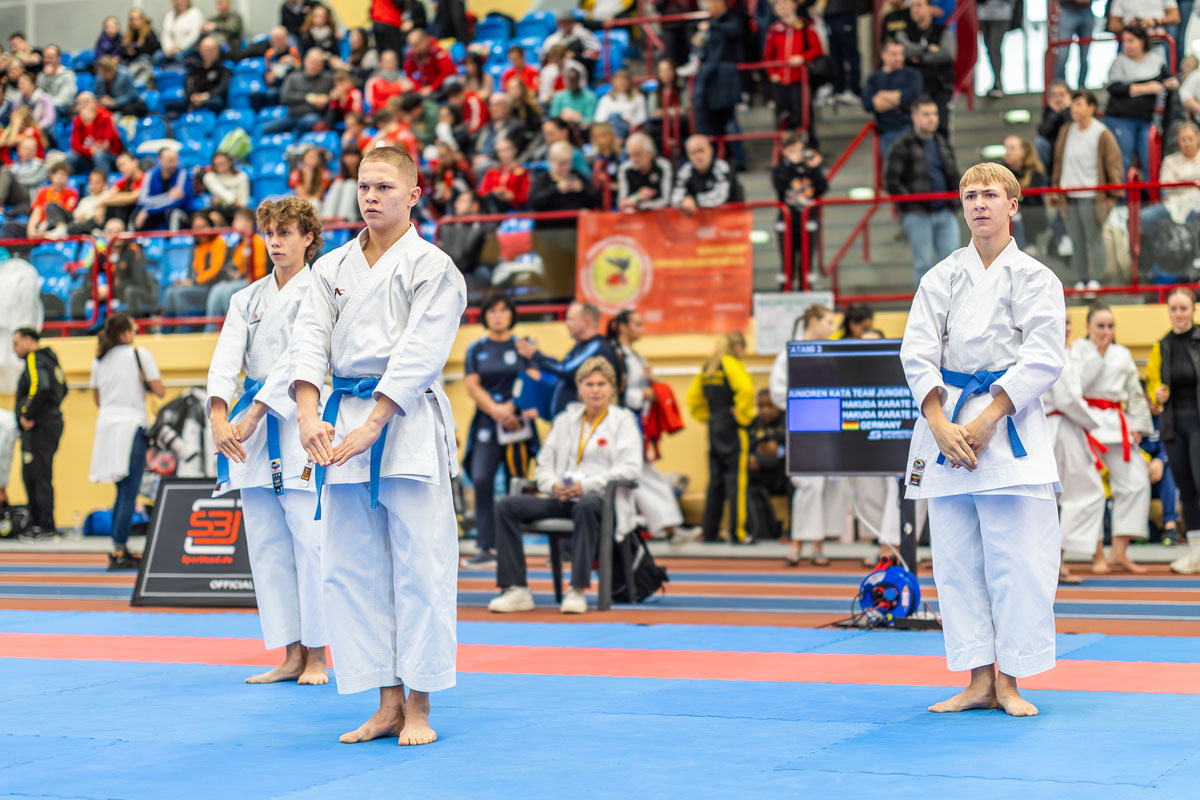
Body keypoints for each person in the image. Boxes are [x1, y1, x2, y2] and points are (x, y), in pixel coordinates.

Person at [280, 146, 464, 746]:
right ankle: (386, 703)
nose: (371, 196)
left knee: (421, 567)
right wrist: (307, 412)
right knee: (353, 569)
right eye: (363, 186)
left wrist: (376, 422)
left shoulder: (433, 266)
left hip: (404, 425)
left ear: (413, 194)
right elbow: (307, 340)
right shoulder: (331, 267)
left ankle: (420, 705)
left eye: (384, 186)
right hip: (340, 425)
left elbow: (420, 354)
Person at [900, 162, 1066, 717]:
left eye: (990, 194)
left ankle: (1010, 681)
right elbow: (916, 353)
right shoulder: (940, 277)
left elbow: (1044, 357)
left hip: (1008, 426)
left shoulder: (1036, 278)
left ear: (1012, 205)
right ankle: (977, 680)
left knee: (1017, 562)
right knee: (956, 563)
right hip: (945, 428)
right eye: (970, 195)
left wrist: (990, 416)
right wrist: (938, 423)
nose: (978, 204)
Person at [208, 196, 330, 685]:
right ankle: (290, 654)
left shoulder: (319, 290)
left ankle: (318, 655)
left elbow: (301, 356)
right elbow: (225, 358)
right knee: (266, 544)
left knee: (309, 541)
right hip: (250, 431)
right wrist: (219, 416)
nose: (276, 242)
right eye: (270, 233)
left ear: (308, 238)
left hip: (300, 417)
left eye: (286, 233)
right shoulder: (247, 298)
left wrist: (256, 412)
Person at [488, 356, 641, 614]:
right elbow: (543, 464)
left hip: (601, 501)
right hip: (561, 497)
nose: (595, 390)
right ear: (579, 387)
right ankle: (516, 590)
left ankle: (577, 590)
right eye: (589, 384)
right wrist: (553, 485)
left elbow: (631, 468)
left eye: (601, 384)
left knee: (585, 505)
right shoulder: (564, 420)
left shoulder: (623, 421)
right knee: (506, 506)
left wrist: (586, 486)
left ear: (612, 388)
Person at [1072, 303, 1153, 573]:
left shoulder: (1122, 354)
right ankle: (1096, 554)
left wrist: (1138, 425)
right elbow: (1077, 386)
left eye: (1110, 326)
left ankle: (1118, 552)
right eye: (1100, 326)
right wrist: (1098, 353)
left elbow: (1135, 393)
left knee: (1136, 482)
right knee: (1091, 490)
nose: (1106, 331)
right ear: (1088, 327)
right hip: (1086, 424)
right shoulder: (1077, 350)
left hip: (1117, 425)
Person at [461, 293, 538, 570]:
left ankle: (512, 548)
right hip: (487, 424)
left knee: (517, 485)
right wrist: (496, 410)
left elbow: (533, 378)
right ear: (485, 316)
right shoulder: (476, 348)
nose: (498, 315)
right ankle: (486, 547)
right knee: (482, 479)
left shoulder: (524, 344)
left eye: (503, 310)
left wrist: (512, 409)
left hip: (518, 425)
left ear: (511, 314)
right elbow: (472, 386)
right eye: (492, 310)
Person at [769, 306, 845, 564]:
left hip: (830, 426)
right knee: (808, 485)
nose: (832, 329)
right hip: (802, 425)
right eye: (828, 322)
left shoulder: (832, 354)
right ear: (813, 321)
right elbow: (777, 393)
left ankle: (818, 547)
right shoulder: (790, 354)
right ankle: (797, 544)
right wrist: (807, 401)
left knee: (827, 486)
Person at [88, 313, 164, 569]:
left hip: (107, 429)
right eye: (133, 329)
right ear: (125, 333)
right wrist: (143, 383)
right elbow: (160, 390)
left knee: (121, 491)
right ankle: (119, 549)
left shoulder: (99, 360)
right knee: (129, 492)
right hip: (132, 427)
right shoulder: (138, 354)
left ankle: (119, 546)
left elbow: (97, 398)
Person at [607, 310, 685, 539]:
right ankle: (667, 526)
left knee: (640, 472)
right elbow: (615, 392)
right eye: (637, 324)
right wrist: (643, 394)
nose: (641, 329)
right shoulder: (615, 354)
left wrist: (652, 383)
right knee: (639, 473)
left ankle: (666, 525)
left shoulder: (635, 356)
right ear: (623, 327)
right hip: (622, 422)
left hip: (638, 422)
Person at [1043, 309, 1104, 585]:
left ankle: (1055, 559)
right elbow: (1067, 399)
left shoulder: (1067, 353)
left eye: (1068, 322)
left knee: (1056, 497)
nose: (1066, 327)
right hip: (1061, 427)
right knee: (1087, 492)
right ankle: (1056, 559)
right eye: (1061, 322)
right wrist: (1095, 423)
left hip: (1058, 426)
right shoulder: (1052, 351)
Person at [1148, 288, 1200, 573]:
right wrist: (1157, 394)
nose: (1178, 314)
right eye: (1174, 309)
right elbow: (1153, 387)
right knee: (1186, 487)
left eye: (1183, 308)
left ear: (1193, 310)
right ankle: (1195, 552)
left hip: (1198, 424)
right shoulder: (1162, 345)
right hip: (1173, 426)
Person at [1050, 90, 1124, 291]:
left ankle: (1096, 279)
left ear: (1091, 107)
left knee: (1094, 237)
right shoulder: (1066, 130)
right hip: (1068, 194)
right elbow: (1058, 161)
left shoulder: (1101, 133)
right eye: (1072, 105)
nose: (1074, 109)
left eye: (1079, 104)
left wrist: (1112, 195)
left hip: (1092, 195)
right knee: (1076, 239)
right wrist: (1056, 187)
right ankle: (1081, 279)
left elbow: (1113, 164)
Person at [885, 97, 961, 285]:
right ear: (915, 117)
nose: (932, 118)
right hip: (917, 215)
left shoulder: (942, 142)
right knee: (923, 265)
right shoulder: (901, 145)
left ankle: (953, 302)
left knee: (954, 265)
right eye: (926, 114)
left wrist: (956, 201)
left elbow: (953, 175)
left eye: (934, 114)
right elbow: (891, 181)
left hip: (945, 210)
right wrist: (912, 204)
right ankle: (925, 304)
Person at [687, 332, 755, 544]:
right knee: (737, 481)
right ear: (738, 347)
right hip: (732, 428)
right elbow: (746, 391)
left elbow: (693, 399)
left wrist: (708, 417)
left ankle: (710, 532)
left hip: (714, 427)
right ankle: (738, 533)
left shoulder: (707, 368)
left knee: (715, 481)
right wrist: (743, 417)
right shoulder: (732, 365)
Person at [516, 301, 622, 419]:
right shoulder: (579, 346)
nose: (566, 324)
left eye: (571, 319)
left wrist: (535, 355)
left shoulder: (598, 346)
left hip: (585, 422)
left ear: (587, 321)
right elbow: (560, 373)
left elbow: (566, 370)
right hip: (567, 422)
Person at [13, 328, 66, 540]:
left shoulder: (35, 359)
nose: (14, 349)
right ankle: (43, 524)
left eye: (16, 343)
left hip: (40, 427)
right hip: (51, 423)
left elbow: (40, 386)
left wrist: (26, 414)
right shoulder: (51, 359)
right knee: (40, 474)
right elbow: (63, 389)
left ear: (28, 340)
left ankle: (42, 526)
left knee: (36, 475)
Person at [1105, 25, 1178, 176]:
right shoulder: (1119, 62)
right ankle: (1123, 190)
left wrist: (1172, 83)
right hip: (1121, 119)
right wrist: (1146, 88)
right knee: (1123, 161)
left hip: (1146, 121)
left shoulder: (1156, 61)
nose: (1126, 45)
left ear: (1142, 41)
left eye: (1131, 41)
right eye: (1124, 41)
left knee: (1150, 160)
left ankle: (1152, 190)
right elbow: (1114, 88)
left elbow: (1170, 80)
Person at [763, 0, 827, 139]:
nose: (781, 7)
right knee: (782, 117)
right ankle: (784, 147)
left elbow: (817, 49)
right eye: (778, 4)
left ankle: (808, 144)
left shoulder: (805, 26)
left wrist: (802, 58)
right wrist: (772, 73)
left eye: (785, 3)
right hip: (781, 81)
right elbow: (768, 56)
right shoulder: (774, 29)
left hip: (800, 79)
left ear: (794, 5)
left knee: (803, 116)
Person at [772, 133, 828, 282]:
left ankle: (806, 288)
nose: (798, 154)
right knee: (787, 263)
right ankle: (785, 289)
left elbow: (822, 188)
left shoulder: (809, 167)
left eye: (800, 150)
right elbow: (780, 186)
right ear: (785, 151)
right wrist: (793, 165)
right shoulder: (780, 169)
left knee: (807, 263)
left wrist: (813, 168)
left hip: (808, 219)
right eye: (793, 150)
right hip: (788, 221)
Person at [895, 0, 955, 138]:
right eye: (912, 6)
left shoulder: (943, 30)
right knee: (912, 134)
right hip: (913, 91)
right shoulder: (904, 32)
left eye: (919, 5)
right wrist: (927, 49)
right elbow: (905, 50)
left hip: (939, 89)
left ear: (930, 9)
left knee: (941, 131)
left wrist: (918, 56)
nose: (914, 9)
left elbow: (947, 53)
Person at [162, 210, 228, 328]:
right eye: (196, 228)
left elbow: (215, 271)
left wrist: (193, 281)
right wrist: (185, 281)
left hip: (212, 287)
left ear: (210, 226)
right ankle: (166, 332)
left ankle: (184, 331)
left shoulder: (219, 242)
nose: (200, 231)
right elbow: (193, 270)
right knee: (170, 292)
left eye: (203, 227)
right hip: (197, 285)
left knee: (179, 293)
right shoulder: (196, 246)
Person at [204, 207, 267, 330]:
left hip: (254, 282)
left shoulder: (257, 241)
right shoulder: (240, 243)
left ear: (248, 223)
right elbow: (237, 266)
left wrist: (241, 275)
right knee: (217, 289)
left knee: (228, 292)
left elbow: (259, 271)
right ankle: (211, 330)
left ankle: (232, 329)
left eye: (237, 220)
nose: (233, 223)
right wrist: (233, 275)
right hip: (240, 280)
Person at [864, 39, 925, 157]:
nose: (899, 58)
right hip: (887, 130)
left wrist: (882, 95)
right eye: (894, 54)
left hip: (911, 128)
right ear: (883, 55)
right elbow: (868, 104)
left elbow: (912, 97)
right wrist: (899, 98)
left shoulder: (913, 74)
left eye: (901, 54)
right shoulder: (874, 78)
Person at [692, 0, 742, 144]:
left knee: (730, 123)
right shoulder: (707, 25)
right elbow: (703, 51)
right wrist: (698, 43)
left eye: (713, 3)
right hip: (711, 82)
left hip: (726, 80)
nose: (710, 7)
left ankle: (738, 155)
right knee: (715, 124)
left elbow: (734, 30)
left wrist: (711, 26)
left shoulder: (732, 19)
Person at [745, 388, 790, 542]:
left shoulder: (788, 420)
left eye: (770, 406)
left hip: (782, 476)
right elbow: (746, 449)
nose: (765, 411)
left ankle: (793, 531)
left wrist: (779, 451)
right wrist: (752, 458)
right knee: (741, 478)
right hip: (761, 475)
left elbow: (799, 450)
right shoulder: (754, 424)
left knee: (795, 478)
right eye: (761, 406)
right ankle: (755, 529)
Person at [265, 49, 333, 136]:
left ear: (322, 65)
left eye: (318, 63)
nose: (314, 66)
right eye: (312, 62)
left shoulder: (328, 80)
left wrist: (327, 99)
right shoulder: (293, 77)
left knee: (310, 120)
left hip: (312, 117)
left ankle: (296, 136)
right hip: (291, 117)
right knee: (265, 128)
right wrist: (310, 98)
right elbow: (284, 98)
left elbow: (327, 100)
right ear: (305, 61)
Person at [671, 134, 743, 213]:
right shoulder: (685, 171)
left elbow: (721, 197)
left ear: (710, 150)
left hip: (728, 216)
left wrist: (694, 201)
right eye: (693, 152)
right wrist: (683, 202)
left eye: (701, 150)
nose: (698, 156)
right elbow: (675, 198)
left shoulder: (722, 167)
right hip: (697, 219)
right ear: (688, 155)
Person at [528, 141, 601, 215]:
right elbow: (534, 203)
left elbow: (597, 200)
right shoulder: (542, 179)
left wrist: (582, 189)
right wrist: (556, 189)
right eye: (561, 164)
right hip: (551, 221)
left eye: (568, 163)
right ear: (551, 161)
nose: (565, 168)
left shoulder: (577, 176)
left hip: (575, 221)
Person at [1003, 136, 1047, 250]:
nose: (1008, 152)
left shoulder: (1035, 172)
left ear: (1023, 152)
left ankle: (1024, 247)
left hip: (1030, 218)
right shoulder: (1002, 171)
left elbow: (1027, 199)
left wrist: (1018, 199)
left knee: (1016, 216)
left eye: (1012, 148)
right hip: (1012, 216)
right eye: (1006, 148)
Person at [134, 147, 193, 232]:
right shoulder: (150, 174)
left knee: (172, 212)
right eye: (170, 160)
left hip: (181, 212)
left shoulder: (183, 174)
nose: (173, 164)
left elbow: (177, 201)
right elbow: (142, 200)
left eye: (175, 160)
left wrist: (149, 209)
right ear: (160, 160)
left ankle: (173, 239)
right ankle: (135, 239)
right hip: (157, 213)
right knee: (137, 214)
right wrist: (168, 195)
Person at [67, 93, 121, 176]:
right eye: (80, 103)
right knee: (70, 157)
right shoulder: (77, 120)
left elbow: (105, 143)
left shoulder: (105, 116)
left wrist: (90, 124)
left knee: (98, 154)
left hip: (108, 156)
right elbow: (75, 146)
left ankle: (103, 180)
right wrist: (90, 150)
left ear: (95, 103)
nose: (83, 106)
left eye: (86, 102)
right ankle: (72, 183)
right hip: (88, 156)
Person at [617, 132, 673, 212]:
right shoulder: (625, 169)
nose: (633, 159)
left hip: (660, 214)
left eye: (637, 154)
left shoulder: (663, 166)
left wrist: (639, 205)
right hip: (634, 215)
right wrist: (637, 196)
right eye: (630, 155)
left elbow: (667, 200)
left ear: (650, 153)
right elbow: (622, 203)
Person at [477, 137, 529, 213]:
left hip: (515, 208)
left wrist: (513, 197)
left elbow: (526, 196)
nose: (503, 154)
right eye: (500, 151)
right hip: (492, 205)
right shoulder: (492, 171)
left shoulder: (523, 172)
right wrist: (494, 192)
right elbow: (482, 192)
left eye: (506, 150)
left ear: (514, 150)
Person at [180, 36, 230, 113]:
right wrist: (192, 96)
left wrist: (205, 96)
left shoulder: (223, 70)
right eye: (205, 50)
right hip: (194, 99)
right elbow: (188, 85)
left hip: (212, 100)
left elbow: (222, 88)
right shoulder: (194, 69)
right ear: (200, 51)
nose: (208, 53)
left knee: (216, 102)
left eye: (211, 50)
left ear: (218, 51)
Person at [1056, 0, 1098, 87]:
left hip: (1086, 11)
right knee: (1062, 55)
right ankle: (1060, 88)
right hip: (1067, 11)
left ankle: (1081, 88)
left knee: (1084, 57)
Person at [403, 29, 457, 96]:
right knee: (405, 83)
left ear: (425, 41)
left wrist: (432, 87)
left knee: (451, 80)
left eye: (416, 45)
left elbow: (448, 71)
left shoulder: (437, 50)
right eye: (411, 46)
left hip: (439, 86)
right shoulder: (411, 55)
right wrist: (419, 89)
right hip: (423, 87)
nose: (414, 49)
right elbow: (408, 75)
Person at [1036, 80, 1073, 174]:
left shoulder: (1074, 110)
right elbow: (1043, 132)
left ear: (1069, 96)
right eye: (1054, 95)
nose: (1058, 99)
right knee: (1039, 143)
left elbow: (1072, 129)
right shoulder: (1049, 111)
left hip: (1070, 147)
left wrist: (1065, 110)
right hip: (1052, 151)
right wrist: (1055, 113)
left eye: (1061, 94)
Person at [35, 46, 76, 120]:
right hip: (44, 108)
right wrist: (48, 77)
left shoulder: (67, 75)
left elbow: (63, 99)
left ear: (58, 58)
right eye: (45, 57)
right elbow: (38, 95)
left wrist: (46, 105)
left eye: (50, 57)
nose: (46, 60)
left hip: (62, 110)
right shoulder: (42, 75)